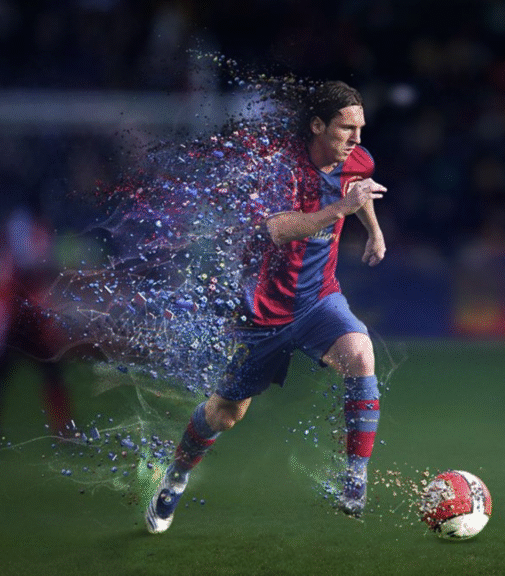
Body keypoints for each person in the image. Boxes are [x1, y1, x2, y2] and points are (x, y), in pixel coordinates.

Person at [146, 80, 387, 533]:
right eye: (346, 128)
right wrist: (342, 209)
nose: (357, 139)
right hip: (262, 314)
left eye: (361, 128)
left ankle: (355, 478)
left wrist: (373, 230)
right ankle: (176, 474)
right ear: (317, 125)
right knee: (225, 414)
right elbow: (278, 230)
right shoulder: (282, 169)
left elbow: (359, 187)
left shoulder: (356, 158)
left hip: (319, 299)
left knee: (361, 353)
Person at [0, 199, 75, 448]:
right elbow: (27, 263)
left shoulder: (28, 223)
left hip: (29, 308)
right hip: (13, 307)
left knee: (48, 368)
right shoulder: (21, 224)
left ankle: (63, 429)